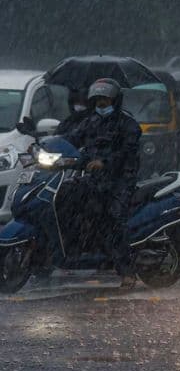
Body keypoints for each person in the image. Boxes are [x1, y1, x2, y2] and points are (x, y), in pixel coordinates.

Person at [63, 78, 142, 288]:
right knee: (66, 198)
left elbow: (127, 152)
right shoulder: (90, 122)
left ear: (115, 100)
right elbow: (69, 139)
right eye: (98, 99)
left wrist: (104, 162)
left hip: (120, 180)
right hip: (94, 179)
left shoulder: (128, 124)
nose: (101, 103)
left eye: (105, 99)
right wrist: (39, 139)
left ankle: (127, 270)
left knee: (114, 218)